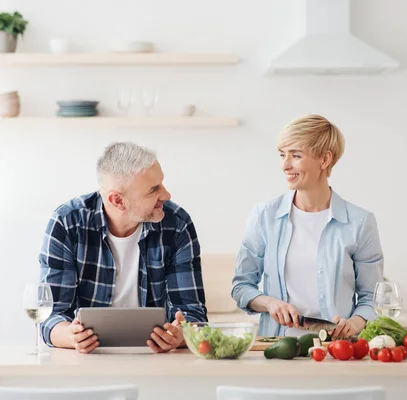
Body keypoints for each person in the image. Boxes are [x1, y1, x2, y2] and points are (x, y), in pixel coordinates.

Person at [39, 142, 207, 354]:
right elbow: (50, 316)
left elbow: (194, 314)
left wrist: (181, 335)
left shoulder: (177, 224)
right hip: (87, 359)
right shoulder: (67, 223)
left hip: (156, 358)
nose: (166, 195)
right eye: (154, 190)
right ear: (117, 200)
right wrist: (71, 336)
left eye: (161, 184)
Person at [231, 114, 384, 339]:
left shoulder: (360, 222)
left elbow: (372, 297)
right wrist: (270, 303)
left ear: (324, 160)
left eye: (296, 155)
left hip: (337, 351)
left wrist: (353, 324)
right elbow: (241, 287)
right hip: (277, 347)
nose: (285, 165)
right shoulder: (264, 216)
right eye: (282, 155)